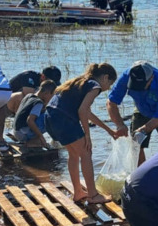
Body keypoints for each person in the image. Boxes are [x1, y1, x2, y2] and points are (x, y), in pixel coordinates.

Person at [44, 63, 119, 204]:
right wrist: (87, 136)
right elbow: (82, 111)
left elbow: (87, 112)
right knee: (86, 153)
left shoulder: (80, 82)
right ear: (105, 77)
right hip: (64, 119)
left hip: (51, 118)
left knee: (74, 154)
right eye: (110, 83)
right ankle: (93, 195)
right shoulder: (95, 86)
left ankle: (78, 192)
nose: (108, 88)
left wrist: (109, 130)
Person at [107, 61, 158, 164]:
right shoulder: (126, 77)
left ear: (151, 78)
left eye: (141, 86)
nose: (139, 90)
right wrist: (120, 125)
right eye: (135, 86)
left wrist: (144, 129)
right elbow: (111, 103)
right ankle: (141, 176)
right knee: (135, 144)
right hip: (142, 108)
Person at [12, 81, 56, 147]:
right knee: (50, 117)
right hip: (23, 134)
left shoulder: (29, 96)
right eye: (52, 95)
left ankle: (35, 140)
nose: (52, 98)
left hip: (17, 131)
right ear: (46, 93)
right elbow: (30, 121)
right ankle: (33, 142)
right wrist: (41, 137)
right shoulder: (38, 103)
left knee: (45, 114)